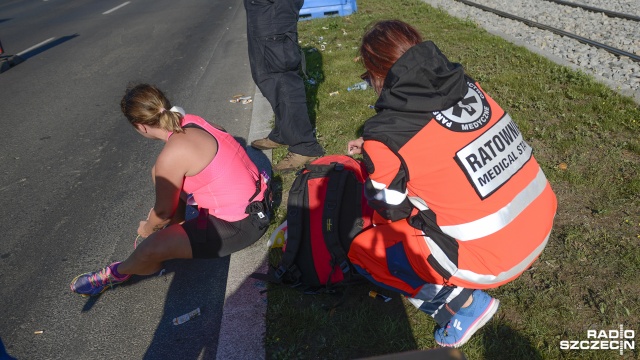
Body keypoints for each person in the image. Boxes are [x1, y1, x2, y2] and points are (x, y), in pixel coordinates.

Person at [346, 20, 557, 348]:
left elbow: (389, 209)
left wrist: (376, 156)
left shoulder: (386, 135)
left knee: (366, 250)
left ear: (377, 75)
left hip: (496, 258)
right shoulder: (470, 87)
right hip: (540, 219)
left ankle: (463, 304)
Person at [70, 84, 271, 296]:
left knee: (149, 250)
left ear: (142, 127)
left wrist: (148, 229)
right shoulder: (194, 120)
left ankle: (115, 273)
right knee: (159, 172)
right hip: (258, 203)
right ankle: (178, 230)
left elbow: (162, 212)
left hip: (242, 226)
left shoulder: (172, 154)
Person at [244, 0, 325, 172]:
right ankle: (284, 133)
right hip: (263, 10)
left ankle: (305, 146)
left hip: (273, 10)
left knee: (282, 78)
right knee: (266, 76)